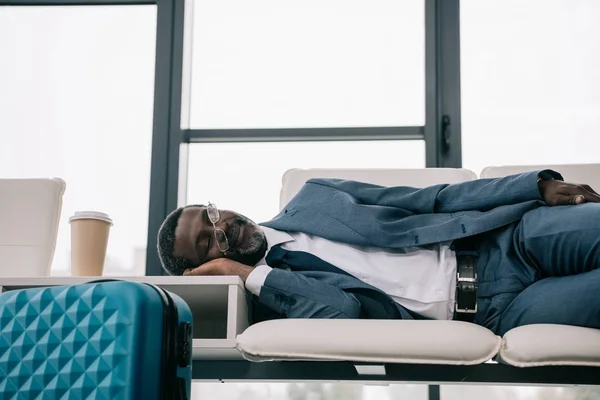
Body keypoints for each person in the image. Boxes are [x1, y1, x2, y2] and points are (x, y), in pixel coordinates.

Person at [157, 169, 600, 336]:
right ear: (206, 267)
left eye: (212, 214)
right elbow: (345, 312)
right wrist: (249, 275)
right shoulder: (276, 305)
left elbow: (430, 199)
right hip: (498, 311)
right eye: (208, 242)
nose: (223, 228)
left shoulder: (316, 197)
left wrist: (533, 186)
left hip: (506, 241)